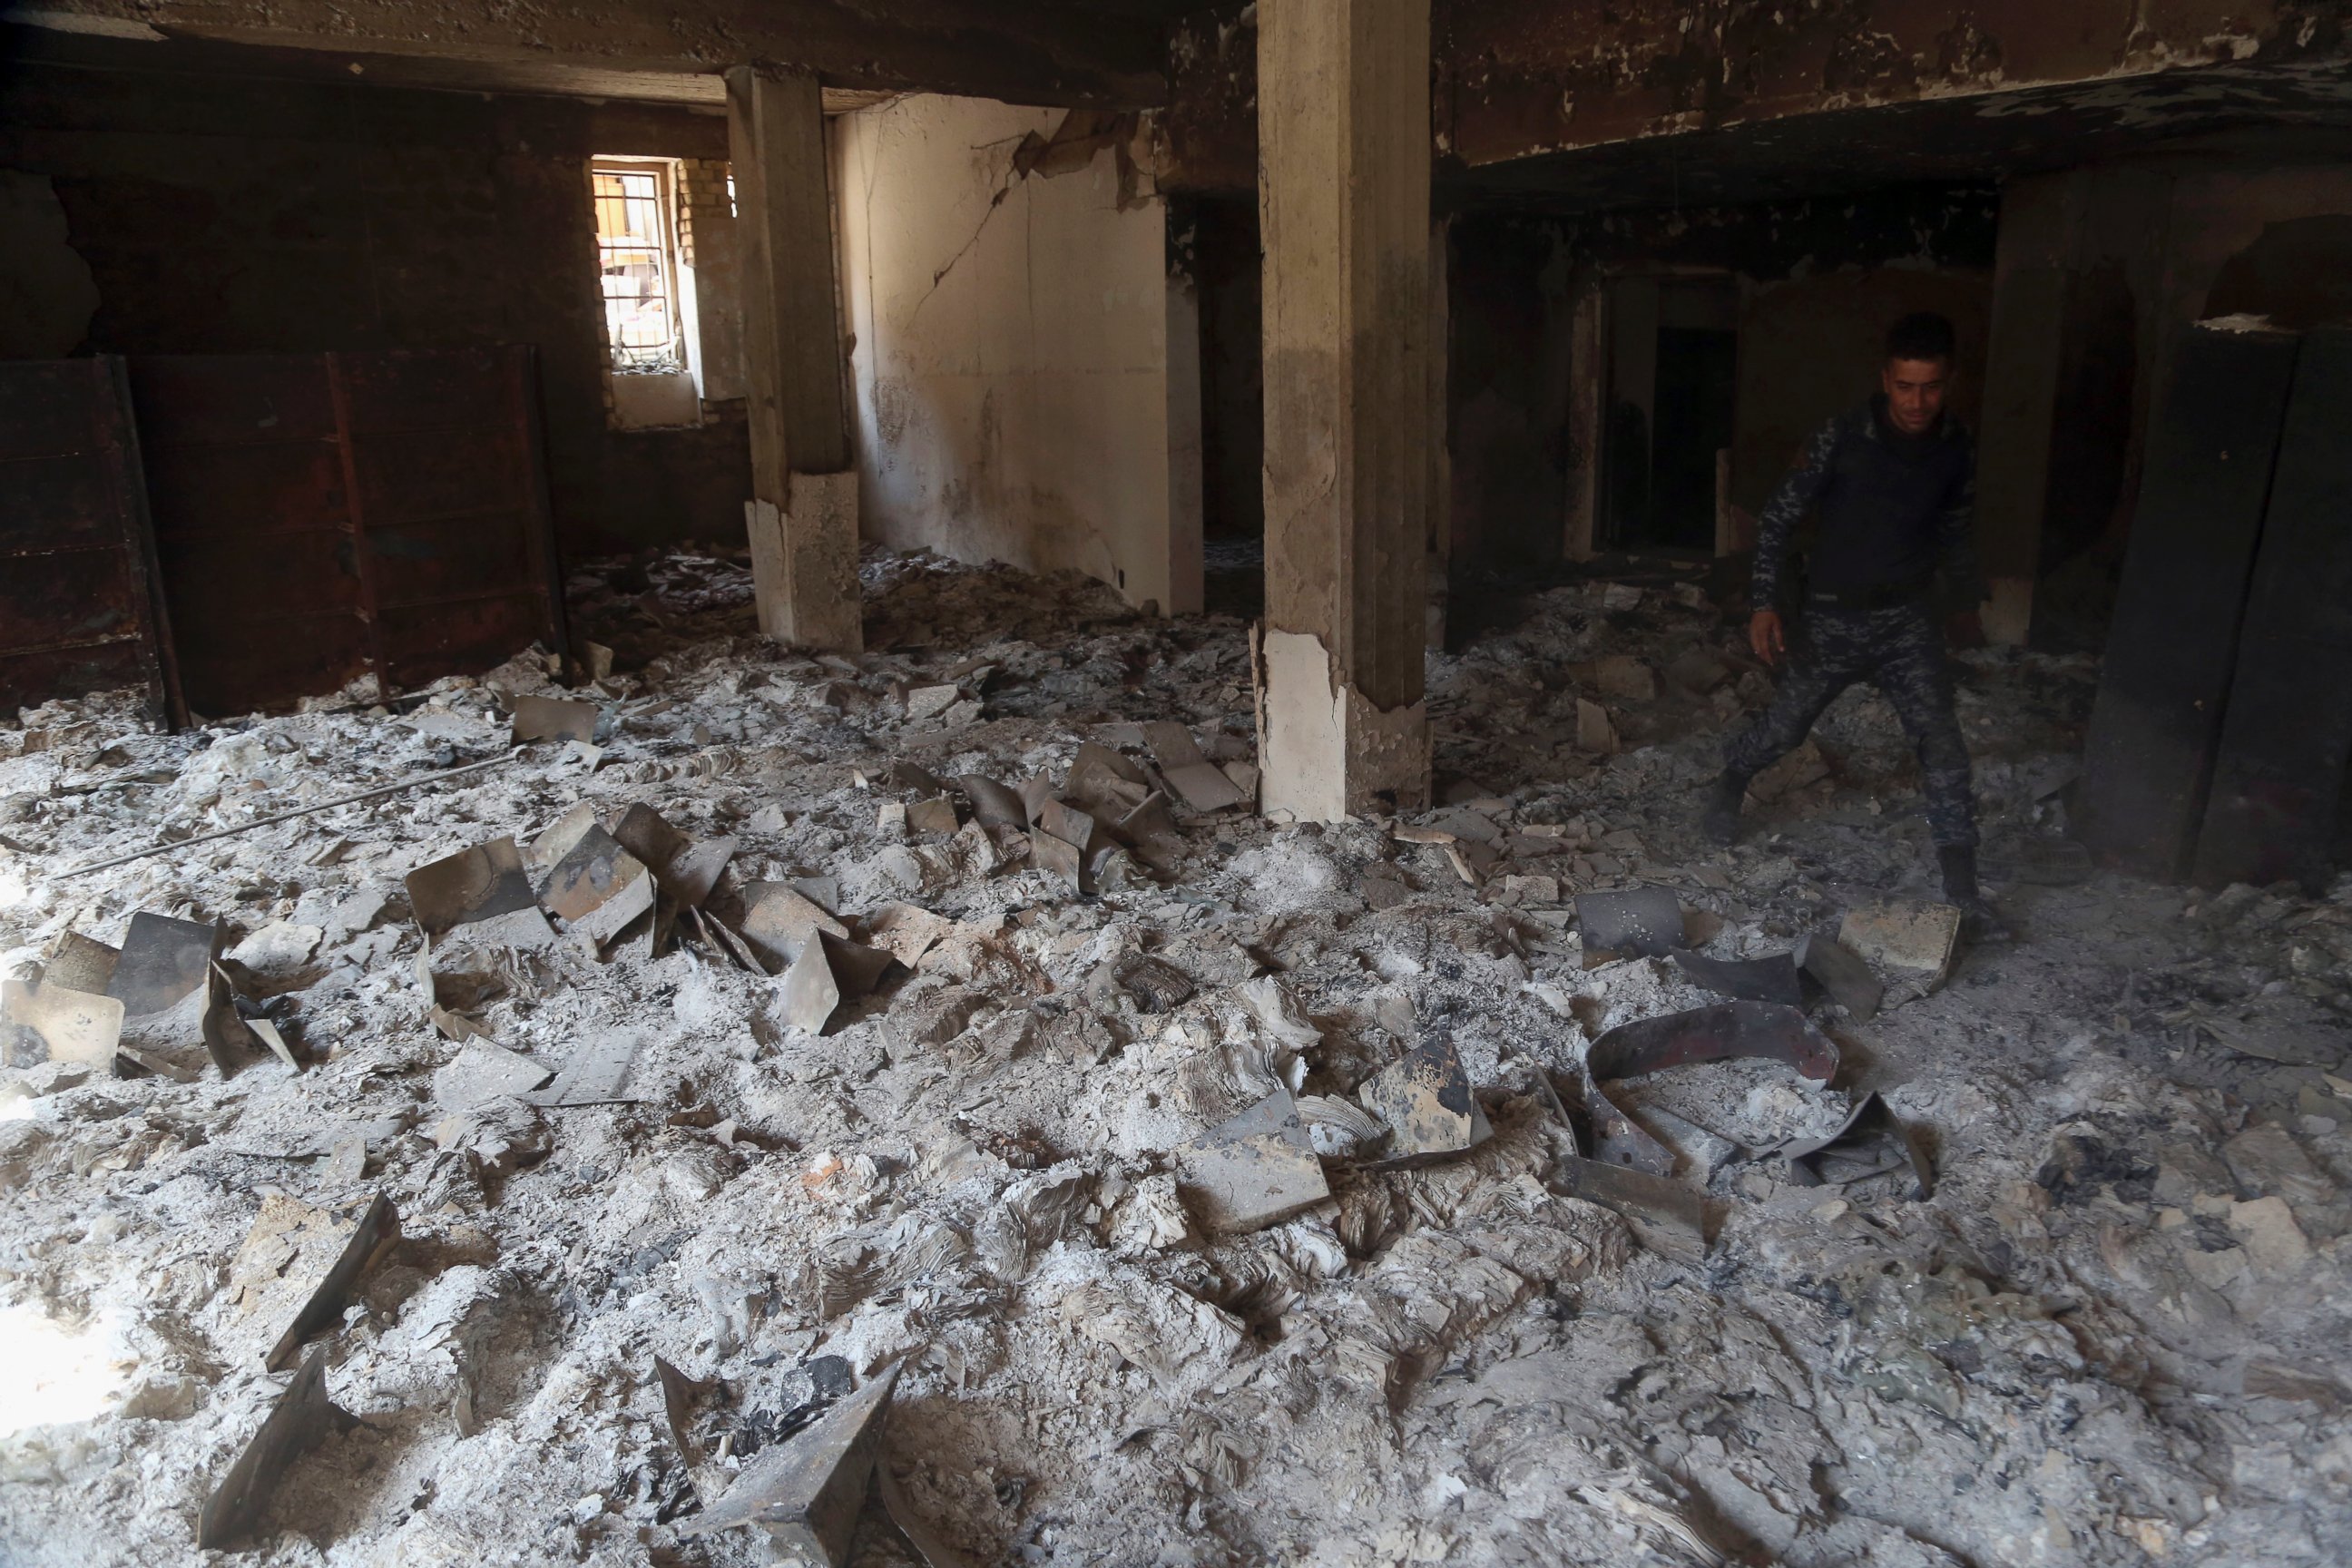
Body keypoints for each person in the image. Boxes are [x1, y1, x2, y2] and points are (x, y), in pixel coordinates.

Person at [1700, 311, 2004, 937]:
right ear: (1885, 380)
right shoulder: (1840, 438)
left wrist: (1965, 601)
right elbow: (1778, 521)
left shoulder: (1956, 446)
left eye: (1931, 387)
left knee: (1943, 747)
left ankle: (1964, 892)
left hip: (1907, 623)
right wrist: (1765, 604)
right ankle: (1730, 780)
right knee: (1783, 730)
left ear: (1950, 383)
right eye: (1905, 387)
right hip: (1833, 618)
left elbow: (1954, 527)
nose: (1918, 402)